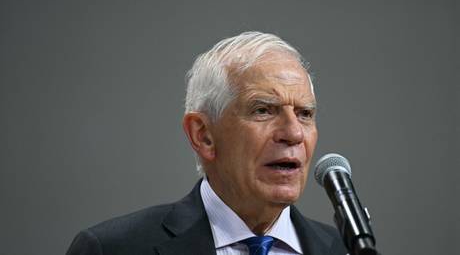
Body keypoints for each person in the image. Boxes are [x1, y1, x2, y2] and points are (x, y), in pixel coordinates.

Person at [66, 31, 347, 255]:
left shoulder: (348, 249)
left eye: (305, 114)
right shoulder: (112, 249)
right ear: (203, 135)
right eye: (263, 110)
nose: (294, 133)